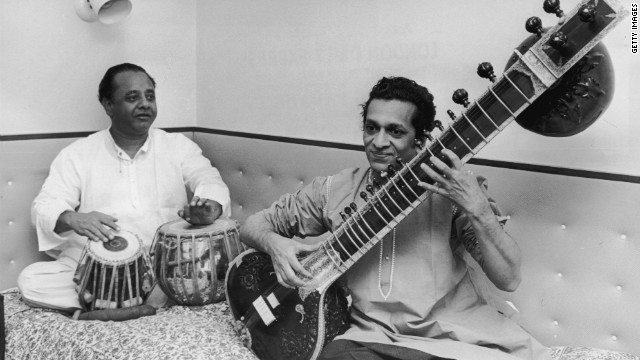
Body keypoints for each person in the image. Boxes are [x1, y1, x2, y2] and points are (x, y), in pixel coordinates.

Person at [240, 77, 551, 360]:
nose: (378, 142)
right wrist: (275, 245)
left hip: (452, 337)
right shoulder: (334, 190)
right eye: (371, 128)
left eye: (395, 131)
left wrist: (477, 207)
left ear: (422, 139)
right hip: (370, 339)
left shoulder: (451, 193)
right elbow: (252, 226)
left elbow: (508, 278)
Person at [17, 63, 231, 313]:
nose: (144, 104)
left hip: (159, 268)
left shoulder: (177, 146)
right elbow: (44, 205)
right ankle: (126, 306)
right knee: (30, 280)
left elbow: (210, 181)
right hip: (95, 268)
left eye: (150, 96)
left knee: (202, 278)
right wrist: (72, 218)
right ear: (109, 105)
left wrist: (209, 207)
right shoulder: (78, 153)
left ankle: (102, 308)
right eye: (132, 97)